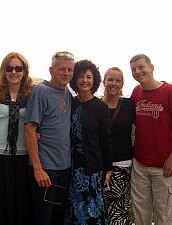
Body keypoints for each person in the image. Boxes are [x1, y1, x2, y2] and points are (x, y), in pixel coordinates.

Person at [24, 51, 75, 225]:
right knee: (42, 218)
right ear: (51, 70)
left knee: (57, 218)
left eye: (70, 70)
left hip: (64, 168)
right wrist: (38, 169)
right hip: (46, 169)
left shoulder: (67, 92)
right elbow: (30, 129)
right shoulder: (41, 91)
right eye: (62, 69)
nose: (66, 73)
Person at [0, 52, 34, 225]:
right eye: (9, 68)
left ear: (24, 71)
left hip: (23, 156)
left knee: (22, 205)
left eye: (18, 68)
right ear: (4, 70)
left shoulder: (32, 95)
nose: (14, 72)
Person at [65, 59, 112, 225]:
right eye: (81, 76)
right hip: (71, 166)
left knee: (92, 209)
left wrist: (108, 168)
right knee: (74, 208)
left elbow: (106, 139)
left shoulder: (100, 107)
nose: (85, 80)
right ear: (75, 80)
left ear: (94, 81)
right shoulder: (70, 103)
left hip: (92, 168)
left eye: (89, 77)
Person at [129, 54, 172, 225]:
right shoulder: (136, 92)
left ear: (151, 67)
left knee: (163, 213)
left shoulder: (170, 91)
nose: (138, 72)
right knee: (141, 213)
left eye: (141, 67)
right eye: (134, 69)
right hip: (140, 163)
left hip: (164, 166)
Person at [101, 67, 135, 225]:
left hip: (122, 165)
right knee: (100, 209)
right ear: (104, 81)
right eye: (110, 79)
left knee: (118, 212)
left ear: (122, 84)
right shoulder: (95, 106)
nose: (113, 83)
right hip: (99, 166)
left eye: (118, 80)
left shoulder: (129, 105)